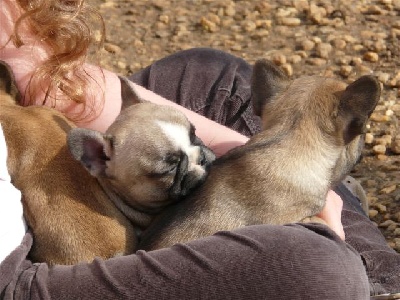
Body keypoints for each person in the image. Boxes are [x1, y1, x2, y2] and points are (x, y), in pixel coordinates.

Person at [0, 0, 398, 299]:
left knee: (211, 75)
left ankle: (378, 278)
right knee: (318, 266)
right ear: (97, 158)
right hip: (26, 281)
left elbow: (55, 83)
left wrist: (267, 161)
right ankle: (354, 267)